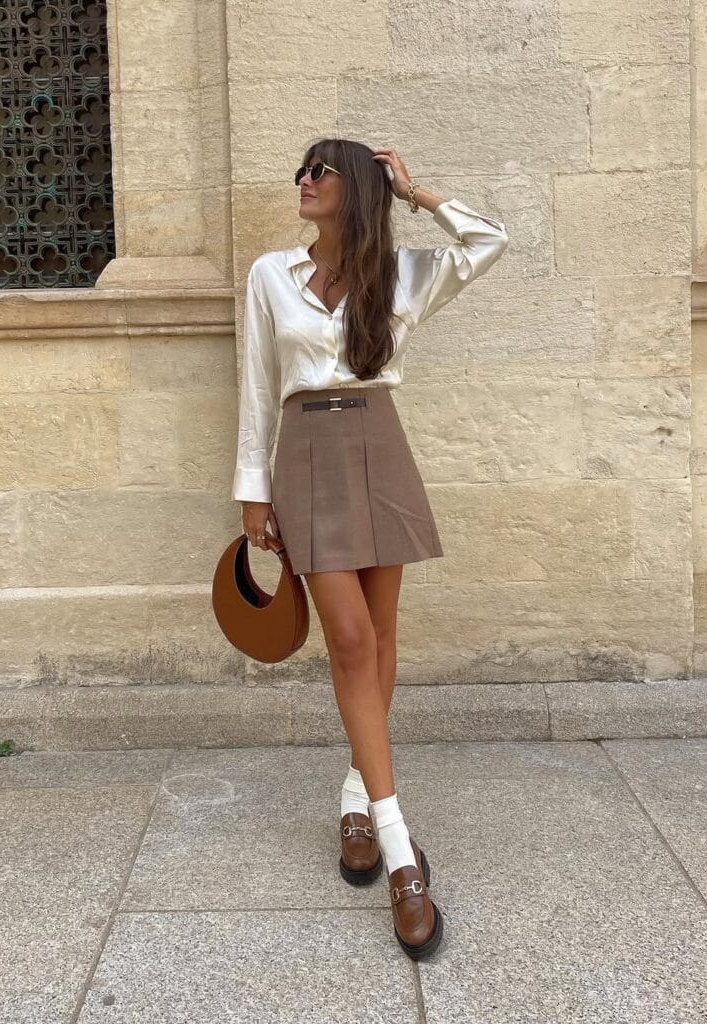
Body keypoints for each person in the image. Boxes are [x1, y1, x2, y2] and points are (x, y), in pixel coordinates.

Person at [231, 137, 509, 959]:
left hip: (379, 446)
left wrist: (414, 192)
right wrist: (253, 491)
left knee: (380, 638)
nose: (303, 181)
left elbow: (488, 241)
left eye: (320, 171)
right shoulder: (268, 276)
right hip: (307, 454)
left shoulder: (403, 275)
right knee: (348, 639)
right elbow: (253, 381)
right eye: (301, 170)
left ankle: (356, 798)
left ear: (354, 186)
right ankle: (398, 852)